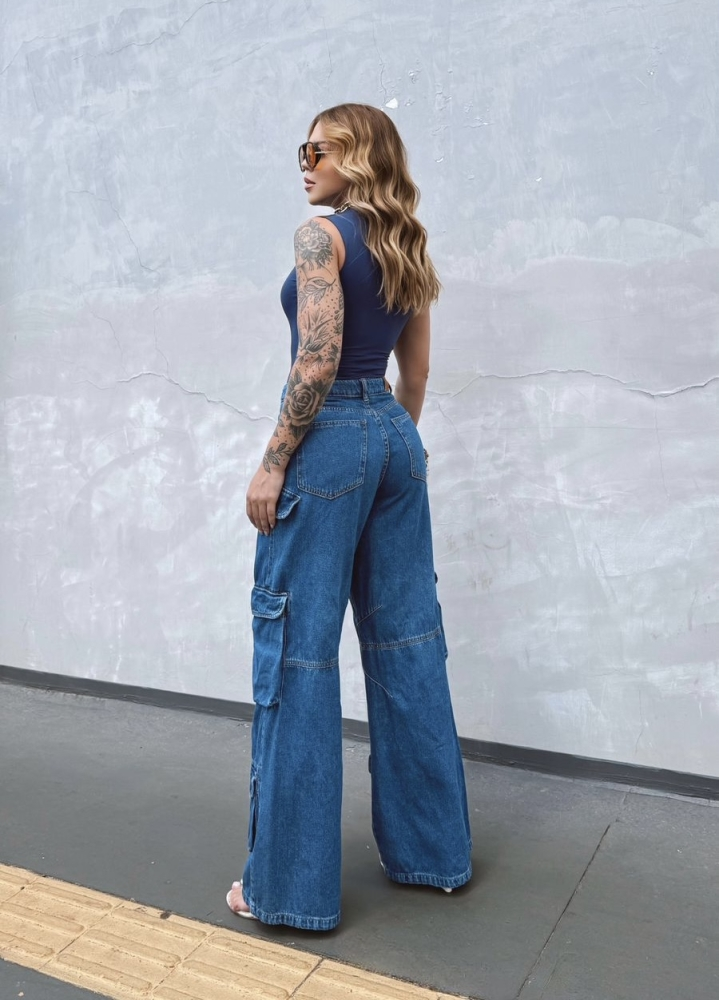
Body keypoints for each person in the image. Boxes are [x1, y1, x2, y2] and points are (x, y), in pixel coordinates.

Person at [226, 103, 472, 930]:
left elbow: (317, 357)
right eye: (302, 150)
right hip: (395, 438)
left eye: (318, 150)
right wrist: (388, 448)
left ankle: (285, 891)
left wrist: (274, 461)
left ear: (357, 156)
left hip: (325, 441)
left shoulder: (320, 237)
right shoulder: (407, 241)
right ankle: (434, 855)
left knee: (298, 656)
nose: (304, 163)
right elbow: (417, 375)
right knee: (408, 646)